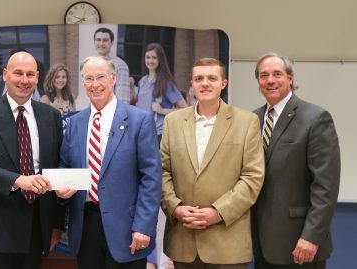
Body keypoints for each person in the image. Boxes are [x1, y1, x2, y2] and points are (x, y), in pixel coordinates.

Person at [57, 56, 162, 269]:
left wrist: (143, 226)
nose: (95, 84)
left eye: (101, 77)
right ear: (83, 82)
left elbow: (151, 178)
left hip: (128, 229)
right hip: (86, 227)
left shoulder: (139, 120)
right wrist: (61, 187)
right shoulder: (75, 122)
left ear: (113, 78)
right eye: (89, 78)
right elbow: (64, 165)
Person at [160, 57, 265, 269]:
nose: (205, 83)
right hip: (183, 240)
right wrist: (175, 207)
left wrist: (218, 212)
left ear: (223, 83)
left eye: (212, 78)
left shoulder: (246, 122)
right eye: (198, 78)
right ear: (191, 84)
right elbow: (163, 171)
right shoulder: (173, 121)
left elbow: (252, 177)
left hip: (227, 243)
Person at [0, 51, 63, 269]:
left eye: (30, 74)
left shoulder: (51, 116)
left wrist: (56, 224)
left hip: (35, 231)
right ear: (5, 74)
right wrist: (18, 180)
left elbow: (57, 165)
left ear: (37, 77)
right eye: (18, 73)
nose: (24, 80)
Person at [251, 53, 341, 269]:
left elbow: (325, 186)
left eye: (277, 74)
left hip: (299, 244)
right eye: (263, 75)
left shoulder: (316, 118)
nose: (270, 80)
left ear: (290, 78)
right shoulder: (253, 119)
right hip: (260, 243)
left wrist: (311, 236)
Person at [132, 42, 187, 141]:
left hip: (159, 134)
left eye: (154, 57)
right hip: (143, 133)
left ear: (160, 60)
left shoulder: (166, 83)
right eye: (147, 57)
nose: (150, 60)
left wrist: (162, 110)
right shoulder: (142, 81)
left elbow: (185, 109)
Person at [94, 27, 131, 104]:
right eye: (98, 40)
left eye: (105, 40)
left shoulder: (120, 65)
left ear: (111, 42)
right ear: (94, 42)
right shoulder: (92, 64)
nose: (101, 43)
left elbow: (123, 100)